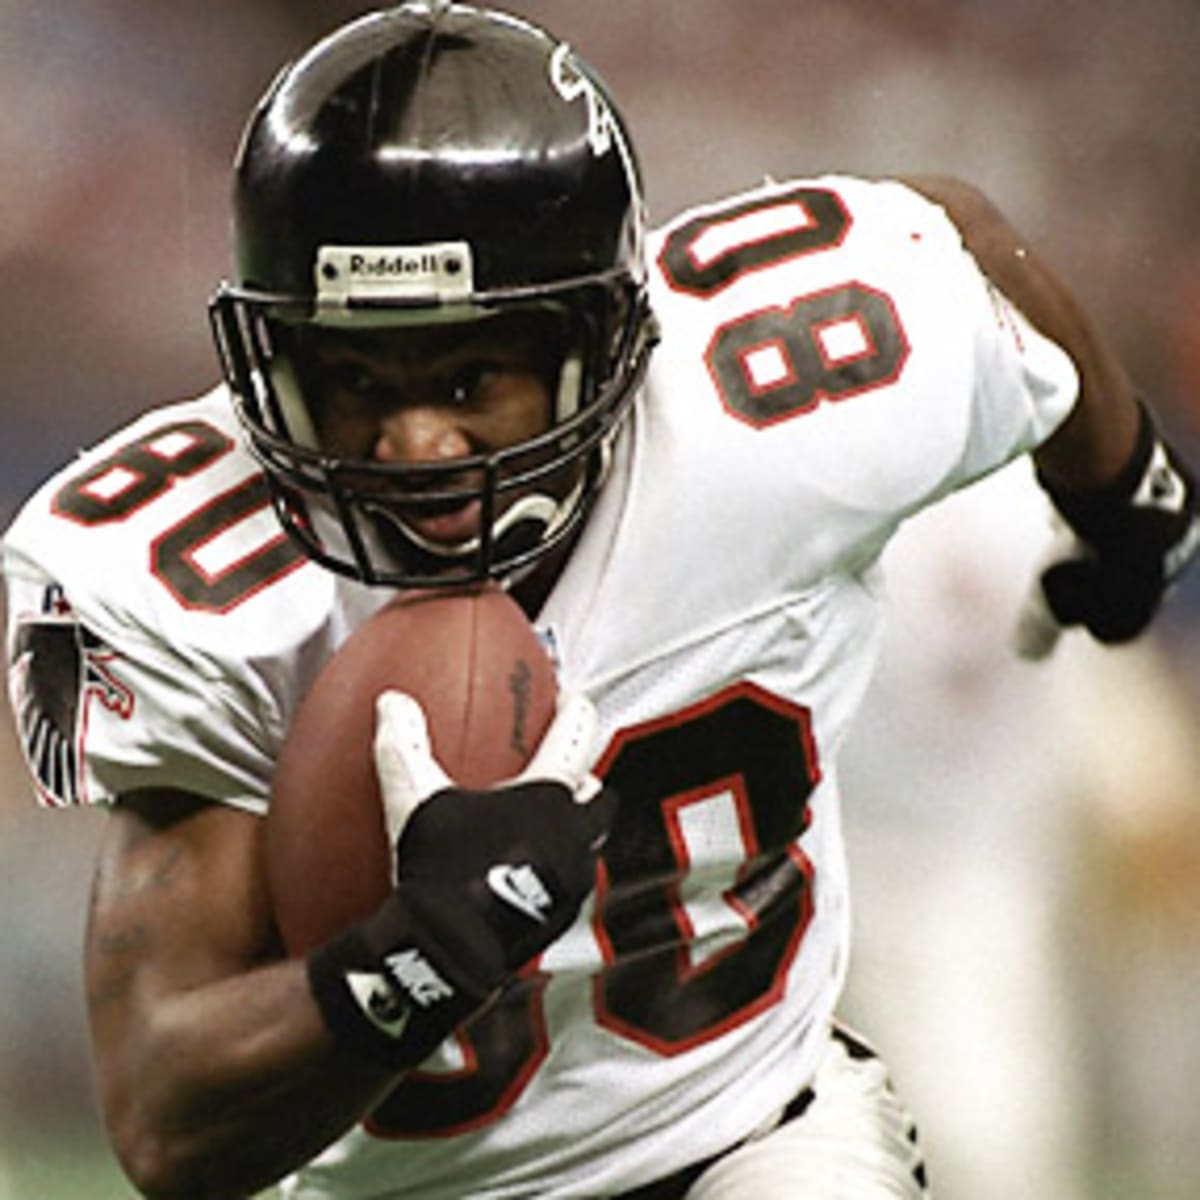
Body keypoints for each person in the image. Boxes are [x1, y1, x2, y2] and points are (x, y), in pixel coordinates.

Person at [3, 4, 1197, 1197]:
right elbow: (166, 1116)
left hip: (747, 1135)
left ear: (602, 340)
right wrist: (424, 947)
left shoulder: (771, 402)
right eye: (353, 376)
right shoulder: (195, 579)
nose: (415, 442)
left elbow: (965, 244)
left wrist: (1125, 488)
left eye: (473, 375)